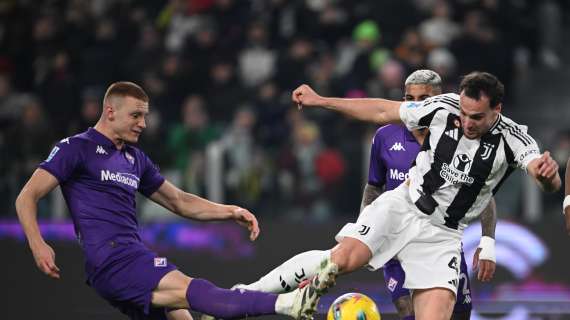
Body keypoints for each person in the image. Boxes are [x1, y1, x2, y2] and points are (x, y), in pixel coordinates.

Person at [15, 82, 321, 320]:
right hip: (112, 260)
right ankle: (287, 303)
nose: (143, 124)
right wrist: (37, 243)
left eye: (145, 116)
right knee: (195, 290)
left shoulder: (135, 159)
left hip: (132, 256)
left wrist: (230, 211)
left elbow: (180, 201)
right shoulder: (76, 148)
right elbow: (26, 197)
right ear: (110, 111)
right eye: (136, 115)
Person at [289, 71, 561, 320]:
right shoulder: (431, 114)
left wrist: (546, 176)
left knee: (452, 314)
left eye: (476, 117)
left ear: (496, 110)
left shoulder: (511, 139)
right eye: (464, 113)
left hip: (443, 236)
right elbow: (383, 113)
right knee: (347, 264)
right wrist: (321, 100)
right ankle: (267, 297)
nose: (466, 122)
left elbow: (537, 179)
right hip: (402, 212)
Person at [232, 70, 497, 320]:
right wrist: (364, 229)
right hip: (394, 228)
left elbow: (482, 194)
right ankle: (249, 293)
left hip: (438, 239)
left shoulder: (462, 138)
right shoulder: (386, 136)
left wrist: (488, 240)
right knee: (395, 301)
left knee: (459, 314)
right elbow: (373, 185)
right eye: (409, 99)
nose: (416, 106)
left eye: (423, 99)